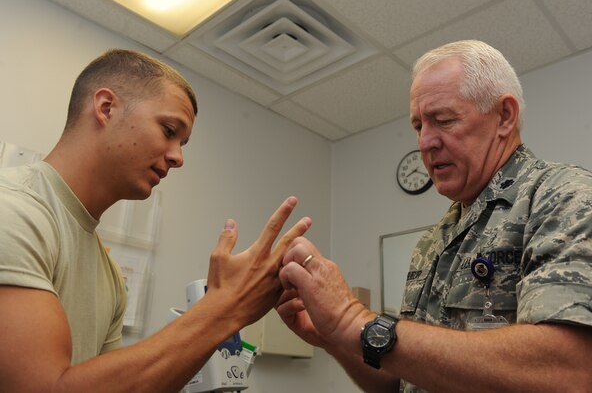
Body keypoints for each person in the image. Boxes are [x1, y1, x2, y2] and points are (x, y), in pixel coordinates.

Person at [276, 40, 592, 392]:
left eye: (443, 120)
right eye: (418, 126)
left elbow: (570, 371)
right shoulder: (433, 240)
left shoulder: (564, 196)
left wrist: (354, 320)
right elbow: (400, 382)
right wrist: (335, 337)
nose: (425, 142)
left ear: (504, 116)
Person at [0, 49, 311, 391]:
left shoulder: (111, 278)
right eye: (168, 130)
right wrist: (225, 309)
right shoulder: (13, 210)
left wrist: (221, 311)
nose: (178, 157)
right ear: (106, 108)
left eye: (182, 142)